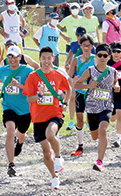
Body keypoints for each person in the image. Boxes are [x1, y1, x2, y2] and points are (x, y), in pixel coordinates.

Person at [23, 46, 71, 189]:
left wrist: (65, 103)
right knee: (45, 152)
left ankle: (58, 157)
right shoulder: (33, 76)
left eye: (49, 58)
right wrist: (39, 95)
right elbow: (29, 99)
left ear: (53, 59)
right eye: (43, 58)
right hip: (38, 117)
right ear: (39, 59)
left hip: (55, 113)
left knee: (50, 134)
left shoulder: (58, 75)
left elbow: (68, 89)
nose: (46, 61)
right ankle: (54, 177)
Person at [0, 46, 33, 177]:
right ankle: (11, 164)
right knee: (10, 132)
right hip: (9, 107)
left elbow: (32, 89)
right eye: (9, 56)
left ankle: (20, 142)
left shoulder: (27, 71)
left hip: (25, 110)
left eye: (15, 56)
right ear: (7, 58)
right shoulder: (3, 70)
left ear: (20, 57)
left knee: (21, 134)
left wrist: (19, 86)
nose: (12, 59)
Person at [74, 44, 119, 171]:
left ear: (109, 57)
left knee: (103, 130)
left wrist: (117, 87)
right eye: (99, 55)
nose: (102, 58)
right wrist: (89, 86)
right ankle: (100, 141)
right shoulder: (90, 70)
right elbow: (77, 85)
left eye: (105, 55)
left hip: (106, 106)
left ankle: (100, 161)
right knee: (95, 135)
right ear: (96, 57)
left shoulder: (113, 71)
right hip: (92, 107)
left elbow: (116, 83)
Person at [67, 34, 96, 156]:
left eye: (89, 46)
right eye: (84, 45)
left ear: (92, 47)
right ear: (81, 45)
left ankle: (98, 141)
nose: (86, 48)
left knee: (94, 119)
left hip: (92, 93)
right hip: (80, 92)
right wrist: (74, 80)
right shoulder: (76, 60)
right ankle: (80, 145)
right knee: (80, 120)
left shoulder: (96, 59)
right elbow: (69, 77)